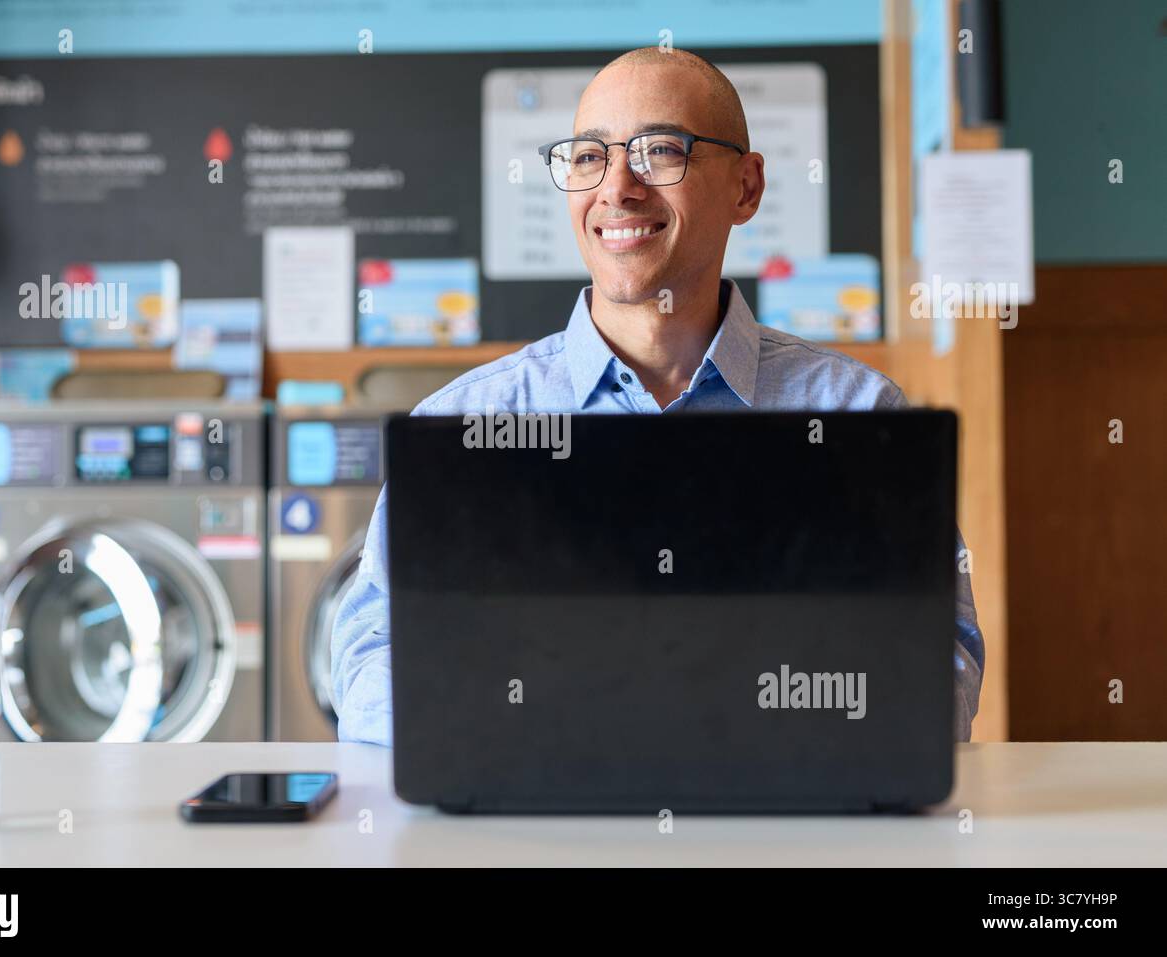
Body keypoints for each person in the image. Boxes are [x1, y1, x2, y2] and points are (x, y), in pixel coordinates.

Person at [331, 46, 984, 746]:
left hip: (785, 825)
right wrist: (541, 724)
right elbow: (368, 658)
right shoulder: (465, 424)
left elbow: (940, 662)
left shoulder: (856, 416)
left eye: (659, 151)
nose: (618, 187)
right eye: (589, 157)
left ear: (747, 186)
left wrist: (746, 722)